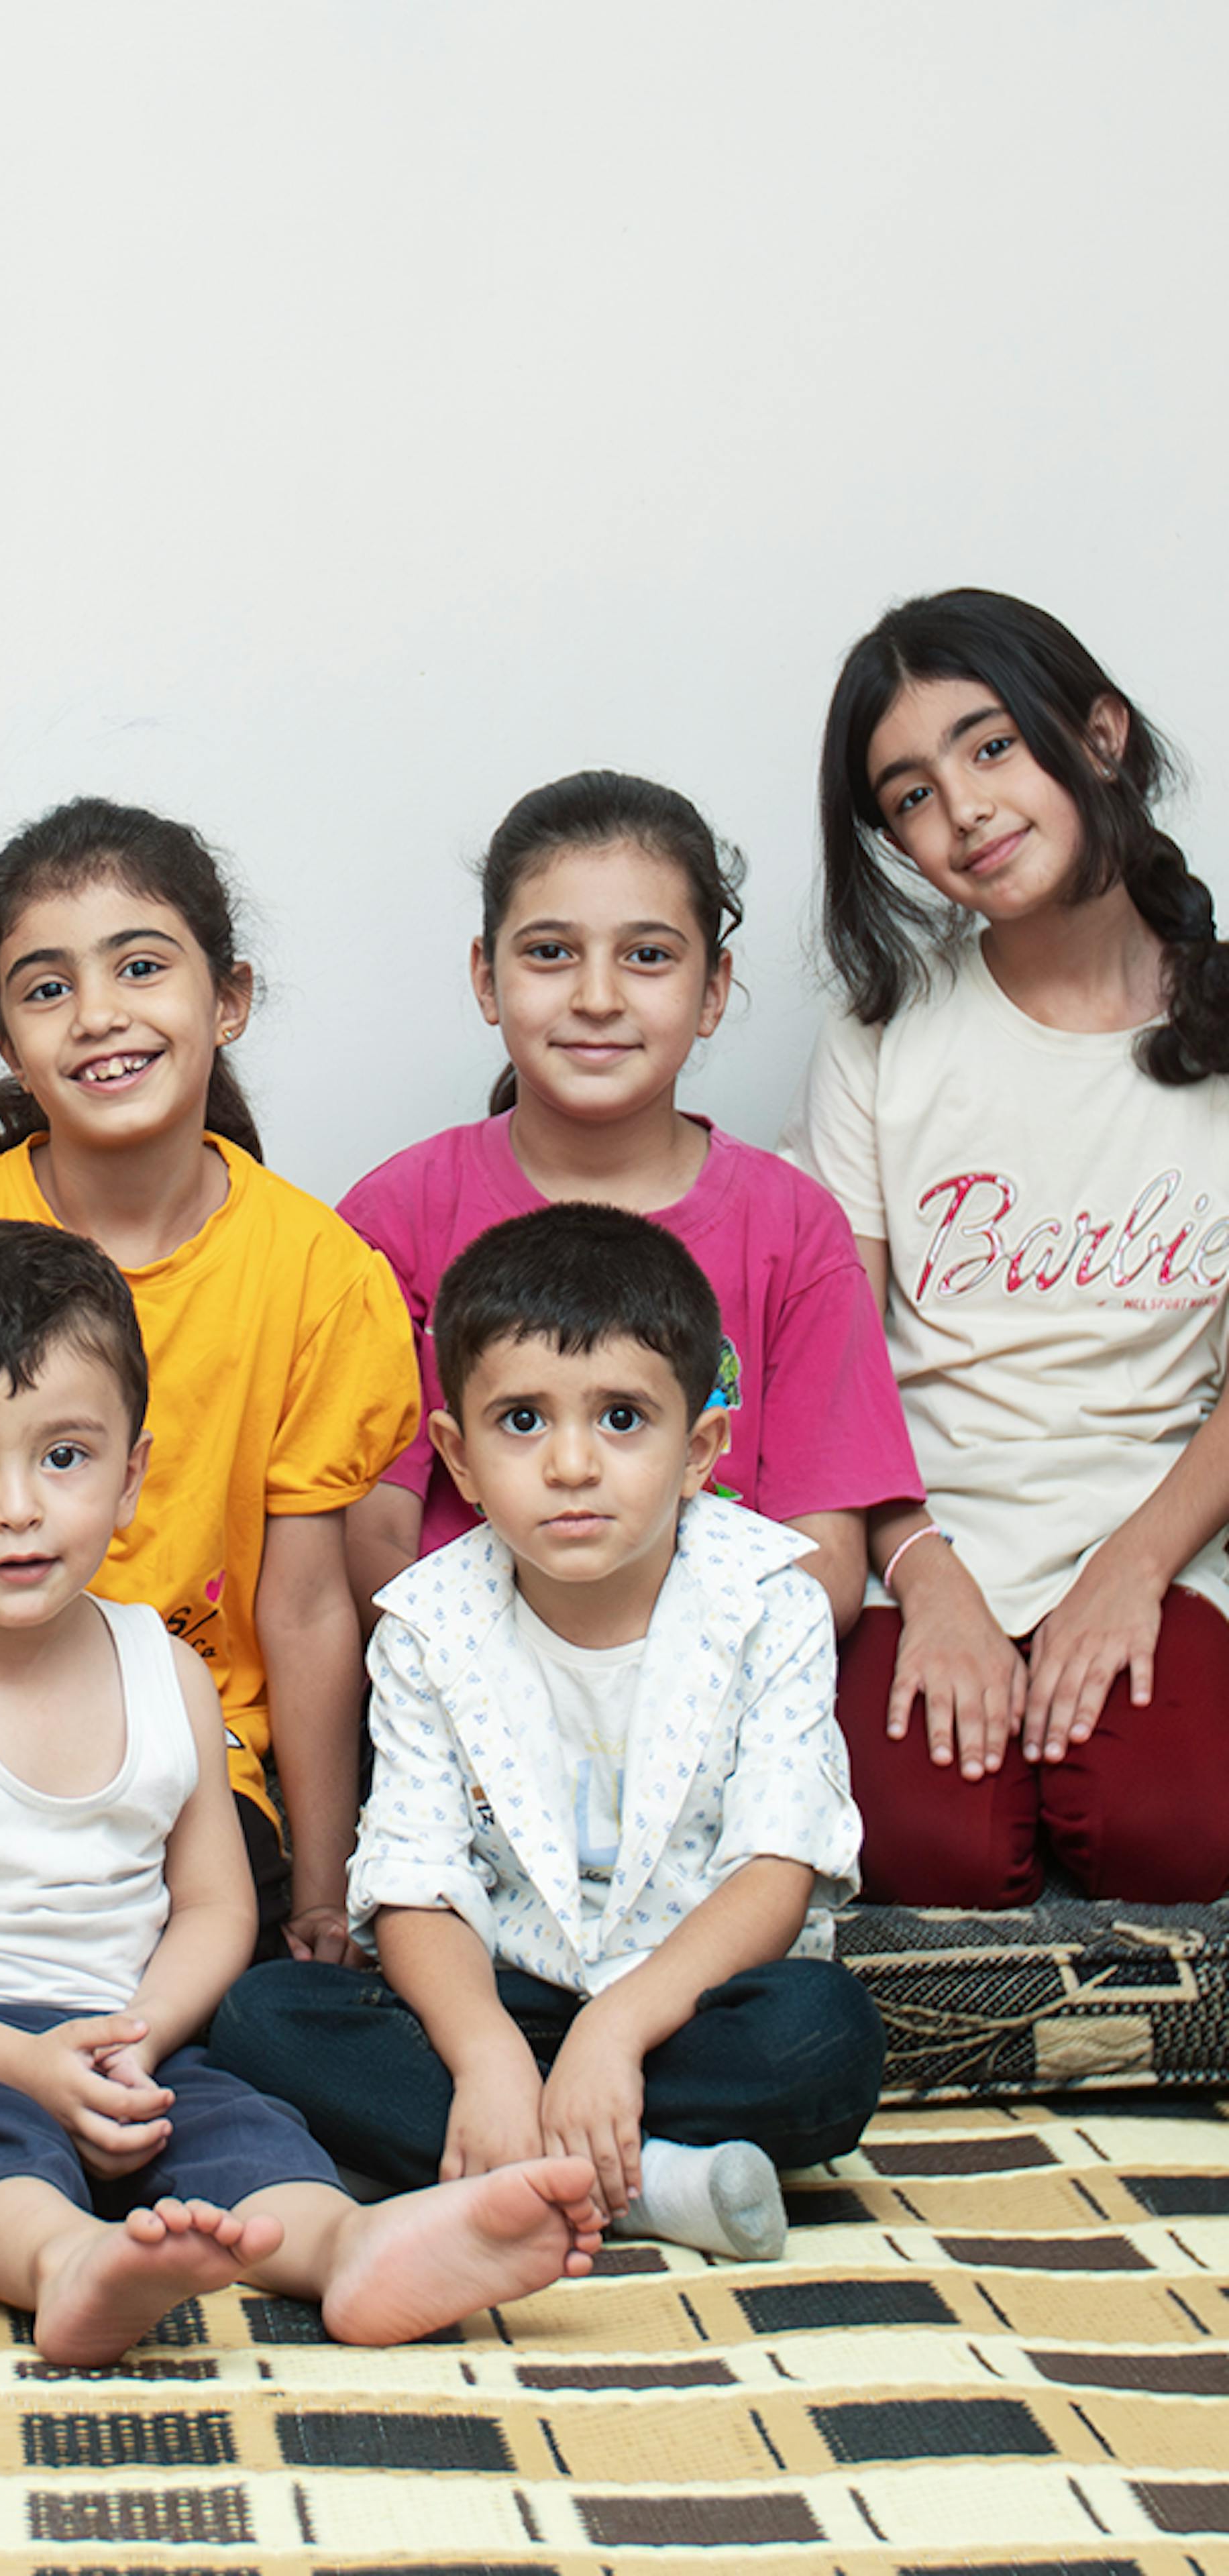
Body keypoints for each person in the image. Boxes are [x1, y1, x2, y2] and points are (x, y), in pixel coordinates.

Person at [0, 1216, 602, 2365]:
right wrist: (24, 2063)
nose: (17, 1507)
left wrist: (143, 2035)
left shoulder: (163, 1668)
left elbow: (219, 1905)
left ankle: (349, 2251)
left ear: (132, 1478)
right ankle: (63, 2264)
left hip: (134, 2033)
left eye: (63, 1458)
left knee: (241, 2127)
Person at [211, 1205, 884, 2263]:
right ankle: (647, 2182)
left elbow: (776, 1868)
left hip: (691, 2002)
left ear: (701, 1446)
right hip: (508, 2000)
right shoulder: (430, 1624)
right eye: (523, 1422)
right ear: (459, 1457)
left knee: (825, 2035)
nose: (571, 1464)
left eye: (622, 1419)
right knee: (262, 2018)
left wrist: (616, 2034)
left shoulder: (770, 1601)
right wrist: (485, 2058)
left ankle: (518, 2165)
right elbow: (418, 1885)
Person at [0, 798, 418, 1966]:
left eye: (142, 967)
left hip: (205, 1778)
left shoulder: (320, 1273)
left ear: (228, 998)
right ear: (9, 1042)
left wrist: (323, 1892)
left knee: (251, 2018)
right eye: (46, 986)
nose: (99, 1015)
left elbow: (308, 1607)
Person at [786, 588, 1229, 1905]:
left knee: (1171, 1838)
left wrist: (1134, 1572)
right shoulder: (882, 1034)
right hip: (931, 1531)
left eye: (990, 749)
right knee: (929, 1855)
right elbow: (840, 1361)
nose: (964, 809)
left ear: (1097, 736)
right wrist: (924, 1575)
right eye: (910, 794)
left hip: (1163, 1529)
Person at [341, 771, 918, 1641]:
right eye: (550, 953)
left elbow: (824, 1561)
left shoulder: (793, 1229)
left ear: (714, 988)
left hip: (720, 1712)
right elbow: (372, 1530)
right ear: (486, 977)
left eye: (647, 955)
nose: (598, 998)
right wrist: (510, 1674)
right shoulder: (397, 1219)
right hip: (471, 1715)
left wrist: (661, 1686)